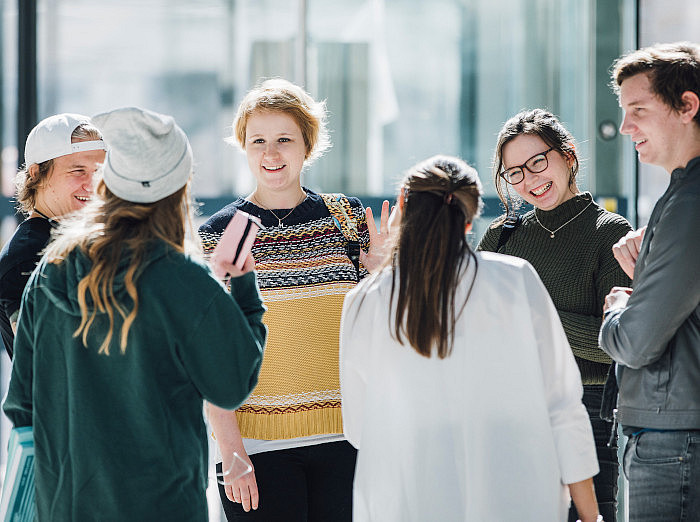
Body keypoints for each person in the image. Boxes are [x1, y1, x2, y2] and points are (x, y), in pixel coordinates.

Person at [3, 107, 266, 521]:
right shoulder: (185, 278)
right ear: (178, 189)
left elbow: (22, 406)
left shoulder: (48, 271)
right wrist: (246, 294)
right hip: (163, 505)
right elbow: (232, 385)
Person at [340, 155, 601, 521]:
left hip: (407, 500)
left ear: (402, 202)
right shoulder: (515, 280)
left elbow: (359, 428)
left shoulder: (366, 300)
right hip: (517, 497)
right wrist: (592, 517)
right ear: (470, 218)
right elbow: (563, 408)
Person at [199, 78, 389, 522]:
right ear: (243, 147)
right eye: (258, 141)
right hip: (258, 450)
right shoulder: (221, 234)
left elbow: (381, 331)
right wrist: (232, 453)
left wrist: (382, 276)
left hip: (349, 439)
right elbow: (208, 357)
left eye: (284, 139)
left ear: (308, 144)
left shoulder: (345, 219)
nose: (271, 153)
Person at [478, 109, 632, 521]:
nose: (529, 180)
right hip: (512, 409)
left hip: (589, 411)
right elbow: (478, 327)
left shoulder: (609, 233)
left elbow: (615, 345)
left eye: (537, 163)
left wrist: (533, 312)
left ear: (567, 156)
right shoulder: (502, 235)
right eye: (515, 172)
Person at [599, 42, 700, 521]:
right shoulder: (679, 195)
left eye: (637, 110)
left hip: (672, 443)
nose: (624, 127)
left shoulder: (689, 203)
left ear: (687, 106)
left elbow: (636, 342)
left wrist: (619, 305)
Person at [0, 113, 106, 359]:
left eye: (98, 171)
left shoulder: (84, 240)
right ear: (36, 173)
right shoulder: (29, 257)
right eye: (78, 171)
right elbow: (54, 363)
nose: (92, 185)